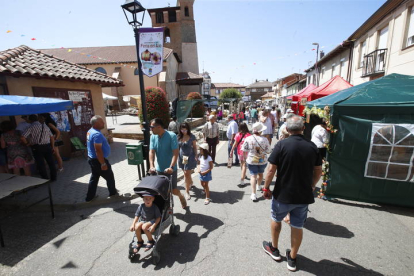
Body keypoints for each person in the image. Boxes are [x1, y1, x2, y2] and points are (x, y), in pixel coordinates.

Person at [262, 115, 322, 272]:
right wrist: (312, 185)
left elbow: (271, 170)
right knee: (297, 225)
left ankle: (274, 249)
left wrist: (266, 188)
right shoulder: (312, 147)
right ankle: (293, 258)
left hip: (283, 192)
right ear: (303, 128)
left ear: (287, 129)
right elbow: (318, 171)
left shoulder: (281, 145)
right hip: (303, 195)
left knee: (276, 218)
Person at [149, 118, 187, 209]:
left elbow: (175, 153)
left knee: (173, 190)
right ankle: (167, 208)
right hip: (159, 169)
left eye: (151, 127)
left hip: (171, 169)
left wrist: (171, 166)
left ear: (159, 127)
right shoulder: (153, 137)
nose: (151, 129)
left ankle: (181, 196)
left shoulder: (171, 135)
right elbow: (151, 152)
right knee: (162, 191)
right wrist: (151, 166)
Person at [85, 115, 119, 202]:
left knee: (94, 178)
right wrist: (103, 163)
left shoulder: (90, 131)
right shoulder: (97, 134)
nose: (103, 123)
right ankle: (113, 194)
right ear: (96, 124)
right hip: (98, 160)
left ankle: (89, 197)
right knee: (109, 177)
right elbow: (98, 150)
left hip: (92, 159)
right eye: (101, 122)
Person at [21, 114, 56, 181]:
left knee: (41, 163)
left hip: (37, 147)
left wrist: (27, 144)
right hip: (47, 146)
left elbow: (22, 137)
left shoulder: (30, 127)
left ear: (30, 120)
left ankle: (45, 179)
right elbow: (51, 137)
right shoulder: (45, 126)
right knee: (51, 163)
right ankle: (53, 178)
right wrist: (53, 147)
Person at [242, 122, 271, 202]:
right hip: (262, 160)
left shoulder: (248, 138)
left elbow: (244, 150)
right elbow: (268, 150)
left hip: (251, 159)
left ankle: (253, 194)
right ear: (261, 131)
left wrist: (244, 158)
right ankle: (258, 186)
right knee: (261, 174)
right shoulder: (265, 139)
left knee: (253, 176)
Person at [178, 122, 198, 200]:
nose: (183, 131)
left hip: (189, 156)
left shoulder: (192, 136)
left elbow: (195, 147)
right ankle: (191, 182)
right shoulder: (179, 137)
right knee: (186, 173)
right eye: (182, 129)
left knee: (186, 174)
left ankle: (187, 191)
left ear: (188, 129)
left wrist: (196, 155)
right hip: (182, 157)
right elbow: (176, 148)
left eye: (185, 129)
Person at [230, 123, 251, 187]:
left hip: (240, 151)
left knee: (242, 164)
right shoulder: (249, 135)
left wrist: (231, 150)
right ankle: (243, 176)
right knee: (244, 165)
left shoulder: (238, 134)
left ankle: (243, 175)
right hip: (247, 152)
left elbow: (235, 143)